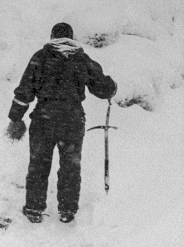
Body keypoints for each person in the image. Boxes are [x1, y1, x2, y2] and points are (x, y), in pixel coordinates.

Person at [6, 22, 117, 223]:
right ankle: (67, 210)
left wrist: (16, 118)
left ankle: (34, 209)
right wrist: (112, 87)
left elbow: (25, 90)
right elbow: (102, 88)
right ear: (72, 38)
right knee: (70, 166)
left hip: (43, 119)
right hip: (72, 121)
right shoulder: (82, 60)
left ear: (52, 37)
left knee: (38, 164)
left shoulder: (40, 58)